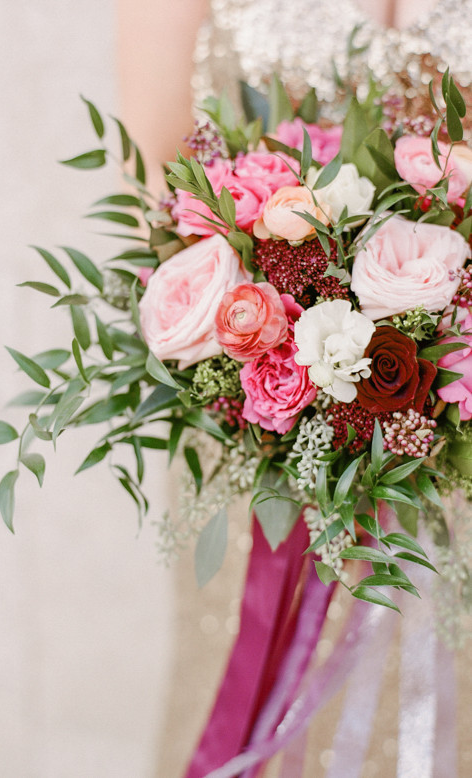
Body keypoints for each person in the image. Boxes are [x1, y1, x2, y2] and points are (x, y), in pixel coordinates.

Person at [115, 1, 472, 775]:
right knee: (243, 683)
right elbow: (156, 178)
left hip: (460, 431)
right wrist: (266, 341)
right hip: (260, 445)